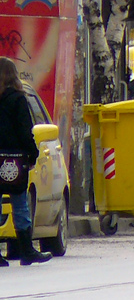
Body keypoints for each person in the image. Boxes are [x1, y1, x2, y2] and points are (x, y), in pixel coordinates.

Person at [0, 57, 52, 265]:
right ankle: (26, 251)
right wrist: (32, 153)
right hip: (14, 158)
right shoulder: (18, 99)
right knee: (20, 203)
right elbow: (25, 130)